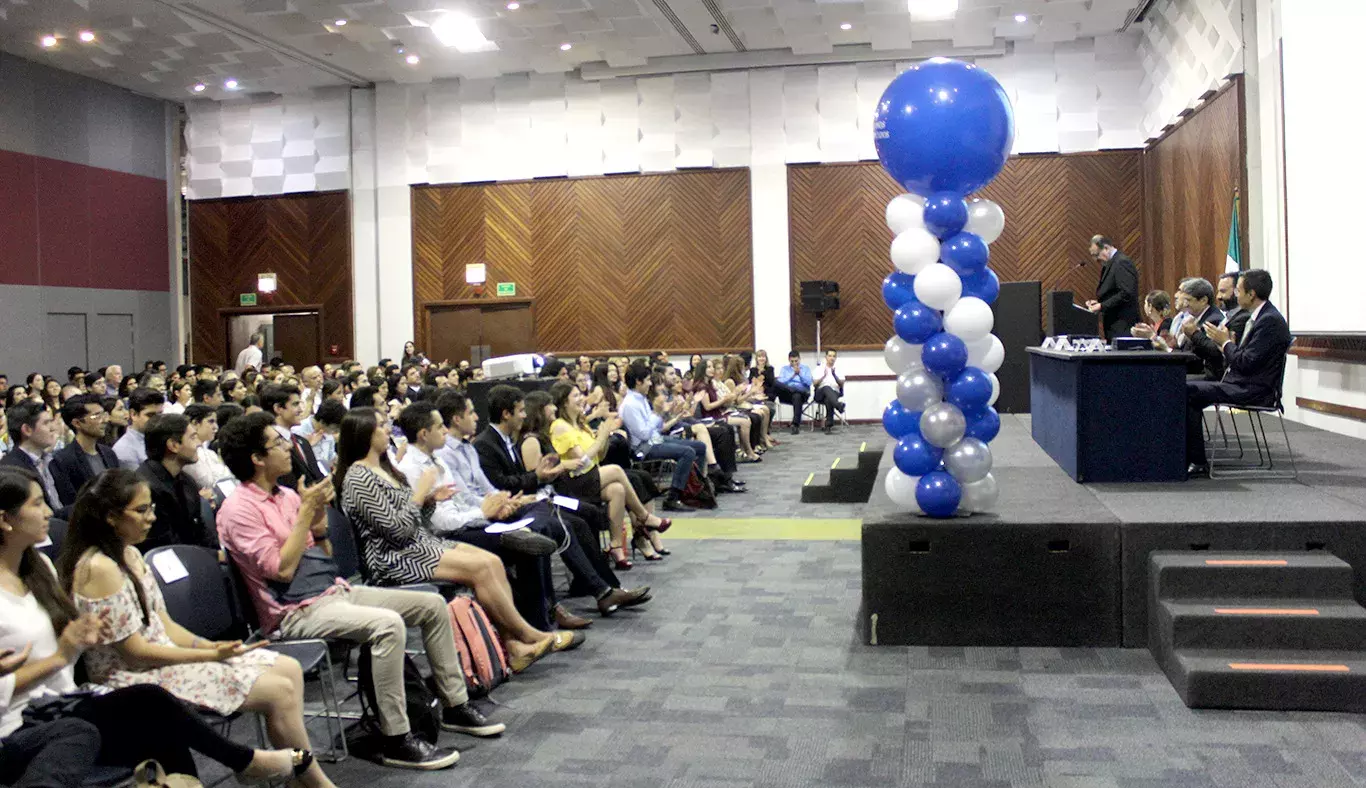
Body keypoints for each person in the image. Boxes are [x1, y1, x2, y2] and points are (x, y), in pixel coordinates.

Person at [213, 412, 503, 770]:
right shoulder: (237, 510)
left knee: (431, 605)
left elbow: (322, 555)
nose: (289, 447)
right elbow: (282, 571)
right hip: (293, 613)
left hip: (331, 592)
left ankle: (455, 705)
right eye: (277, 443)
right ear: (257, 458)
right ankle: (397, 737)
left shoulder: (286, 495)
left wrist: (317, 526)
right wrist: (307, 515)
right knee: (388, 625)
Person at [0, 469, 313, 788]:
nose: (50, 512)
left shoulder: (41, 569)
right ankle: (251, 763)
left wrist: (209, 649)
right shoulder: (93, 567)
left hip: (65, 702)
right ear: (4, 519)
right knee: (157, 709)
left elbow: (158, 626)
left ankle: (250, 765)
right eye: (37, 504)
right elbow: (127, 655)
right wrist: (64, 653)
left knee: (157, 711)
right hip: (26, 722)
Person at [333, 407, 580, 668]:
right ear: (364, 433)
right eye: (381, 425)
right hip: (395, 559)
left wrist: (429, 499)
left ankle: (514, 645)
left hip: (418, 544)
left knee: (492, 562)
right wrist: (421, 495)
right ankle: (529, 635)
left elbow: (412, 519)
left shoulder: (385, 468)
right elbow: (396, 530)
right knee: (481, 568)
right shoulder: (358, 477)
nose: (387, 430)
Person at [547, 383, 673, 569]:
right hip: (573, 481)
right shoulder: (560, 426)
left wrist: (605, 435)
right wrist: (601, 437)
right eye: (575, 396)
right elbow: (582, 460)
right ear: (564, 402)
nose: (581, 399)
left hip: (590, 476)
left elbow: (599, 456)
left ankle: (616, 546)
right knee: (615, 470)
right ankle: (644, 517)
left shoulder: (581, 424)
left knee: (617, 489)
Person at [1184, 269, 1293, 477]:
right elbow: (1243, 357)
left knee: (1189, 392)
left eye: (1239, 290)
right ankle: (1189, 456)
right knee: (1185, 389)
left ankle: (1197, 460)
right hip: (1242, 382)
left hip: (1254, 389)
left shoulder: (1269, 321)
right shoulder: (1260, 317)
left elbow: (1244, 363)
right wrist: (1228, 344)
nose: (1236, 295)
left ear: (1251, 294)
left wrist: (1224, 342)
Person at [620, 364, 710, 514]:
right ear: (638, 381)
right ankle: (673, 498)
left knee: (700, 446)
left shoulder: (640, 399)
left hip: (654, 439)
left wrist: (662, 414)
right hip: (643, 448)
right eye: (648, 380)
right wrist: (657, 413)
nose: (650, 383)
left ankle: (695, 488)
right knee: (687, 452)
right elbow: (644, 434)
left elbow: (655, 427)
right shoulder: (630, 404)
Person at [135, 414, 213, 550]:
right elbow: (166, 546)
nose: (199, 443)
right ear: (173, 445)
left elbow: (200, 529)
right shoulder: (147, 490)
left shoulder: (186, 480)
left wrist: (216, 554)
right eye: (193, 437)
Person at [51, 395, 120, 508]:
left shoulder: (108, 453)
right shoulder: (63, 460)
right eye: (97, 416)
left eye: (104, 414)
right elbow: (71, 503)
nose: (104, 420)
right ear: (77, 423)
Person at [0, 401, 62, 514]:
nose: (53, 428)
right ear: (27, 430)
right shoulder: (12, 470)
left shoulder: (53, 460)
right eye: (46, 423)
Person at [263, 386, 325, 490]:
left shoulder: (302, 441)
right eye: (295, 404)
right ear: (278, 408)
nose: (301, 410)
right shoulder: (270, 446)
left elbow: (317, 476)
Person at [1084, 235, 1141, 340]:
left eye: (1096, 255)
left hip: (1124, 326)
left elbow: (1126, 293)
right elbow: (1113, 292)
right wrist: (1099, 303)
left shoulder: (1121, 262)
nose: (1095, 260)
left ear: (1106, 248)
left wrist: (1102, 306)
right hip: (1114, 326)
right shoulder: (1111, 263)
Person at [112, 389, 164, 470]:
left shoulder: (163, 437)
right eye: (151, 415)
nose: (157, 420)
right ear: (134, 414)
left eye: (160, 414)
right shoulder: (124, 450)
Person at [292, 399, 345, 475]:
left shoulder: (328, 435)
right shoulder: (298, 431)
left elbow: (331, 457)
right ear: (322, 422)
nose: (337, 431)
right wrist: (307, 446)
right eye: (335, 428)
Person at [774, 351, 815, 435]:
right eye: (792, 361)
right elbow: (781, 382)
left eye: (796, 361)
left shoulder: (805, 368)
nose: (794, 363)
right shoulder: (784, 369)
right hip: (787, 394)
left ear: (799, 359)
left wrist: (800, 374)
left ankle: (795, 425)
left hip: (802, 394)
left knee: (797, 395)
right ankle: (793, 390)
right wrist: (792, 375)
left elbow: (809, 382)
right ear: (789, 360)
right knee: (776, 382)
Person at [811, 349, 845, 434]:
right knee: (826, 387)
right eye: (830, 356)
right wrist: (823, 376)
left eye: (834, 356)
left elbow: (841, 384)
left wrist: (834, 375)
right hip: (820, 393)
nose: (832, 358)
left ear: (836, 358)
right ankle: (838, 405)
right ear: (826, 357)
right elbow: (814, 383)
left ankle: (828, 426)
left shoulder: (838, 369)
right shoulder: (819, 368)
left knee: (828, 399)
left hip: (834, 393)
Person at [1215, 271, 1252, 343]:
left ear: (1237, 291)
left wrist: (1194, 333)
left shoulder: (1243, 317)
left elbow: (1218, 351)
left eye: (1223, 291)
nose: (1218, 297)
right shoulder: (1229, 315)